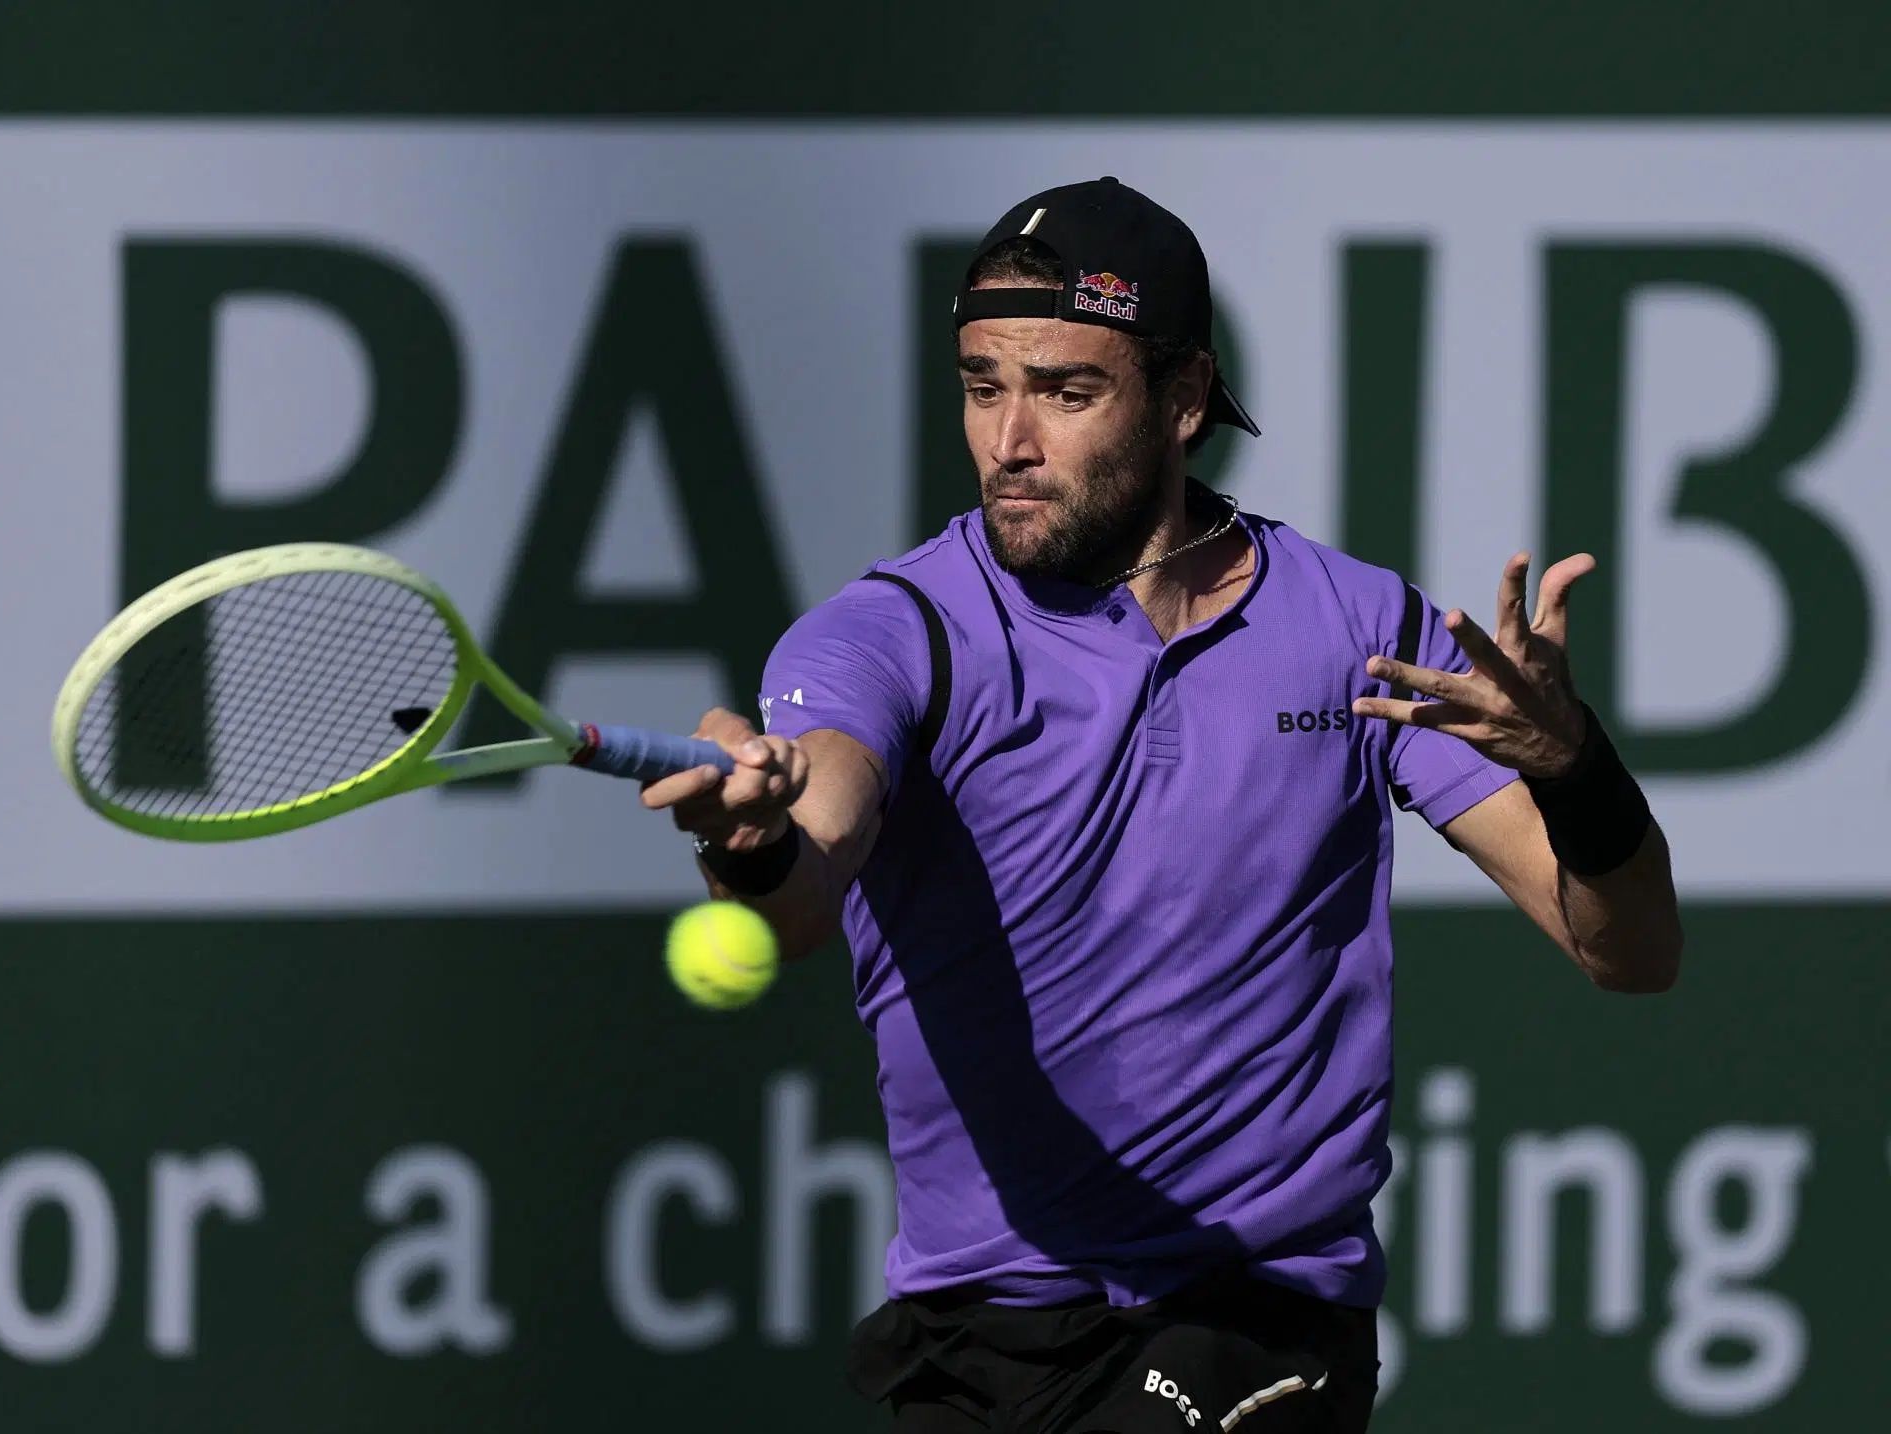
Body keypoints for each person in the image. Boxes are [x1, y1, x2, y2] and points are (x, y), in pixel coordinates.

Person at [640, 177, 1683, 1433]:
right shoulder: (888, 632)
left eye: (1067, 393)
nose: (1007, 442)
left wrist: (1575, 768)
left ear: (1183, 401)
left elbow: (1627, 951)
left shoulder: (1361, 630)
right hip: (978, 1335)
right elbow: (808, 880)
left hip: (1261, 1315)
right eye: (983, 386)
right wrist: (751, 845)